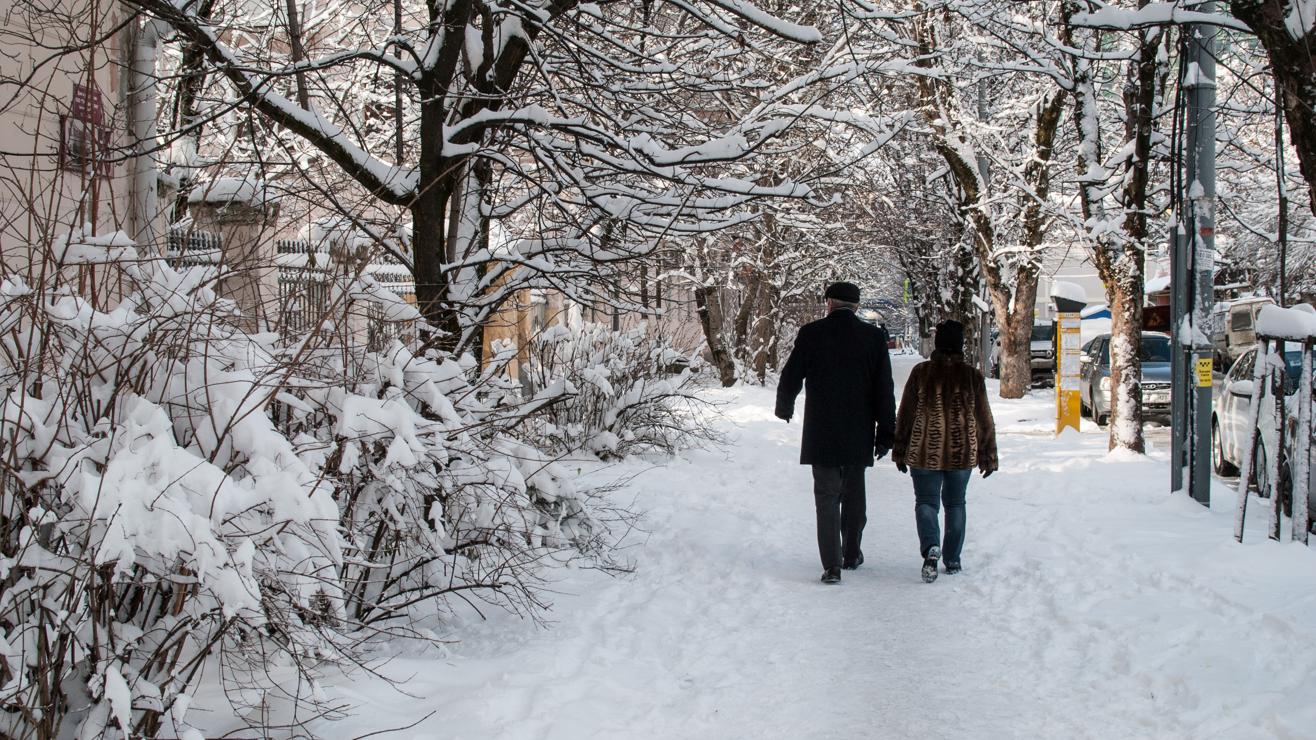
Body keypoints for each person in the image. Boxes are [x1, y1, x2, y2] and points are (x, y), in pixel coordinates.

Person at [775, 282, 897, 585]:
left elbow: (791, 374)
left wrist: (784, 406)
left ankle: (832, 565)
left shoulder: (812, 334)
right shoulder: (873, 338)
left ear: (830, 303)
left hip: (822, 429)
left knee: (827, 496)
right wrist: (886, 434)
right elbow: (884, 389)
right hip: (859, 430)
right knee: (854, 493)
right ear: (855, 306)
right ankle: (852, 552)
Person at [893, 320, 998, 584]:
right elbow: (984, 419)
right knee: (955, 503)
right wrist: (988, 455)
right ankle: (952, 559)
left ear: (937, 343)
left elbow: (906, 414)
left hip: (924, 451)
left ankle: (931, 547)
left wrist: (901, 448)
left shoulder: (921, 372)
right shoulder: (972, 376)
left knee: (927, 502)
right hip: (961, 453)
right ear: (961, 344)